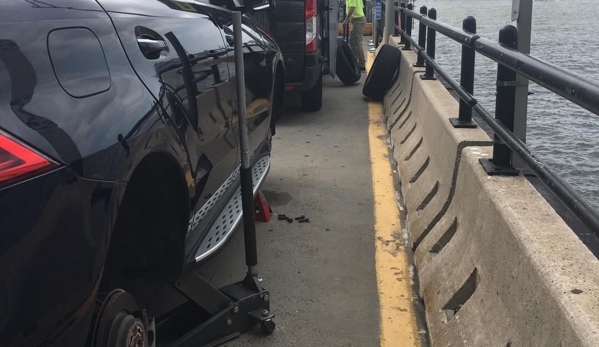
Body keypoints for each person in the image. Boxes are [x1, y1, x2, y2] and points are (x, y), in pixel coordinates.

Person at [343, 0, 366, 71]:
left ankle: (362, 63)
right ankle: (354, 59)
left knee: (356, 41)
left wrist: (346, 19)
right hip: (355, 20)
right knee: (352, 41)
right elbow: (361, 6)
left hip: (358, 20)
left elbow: (352, 7)